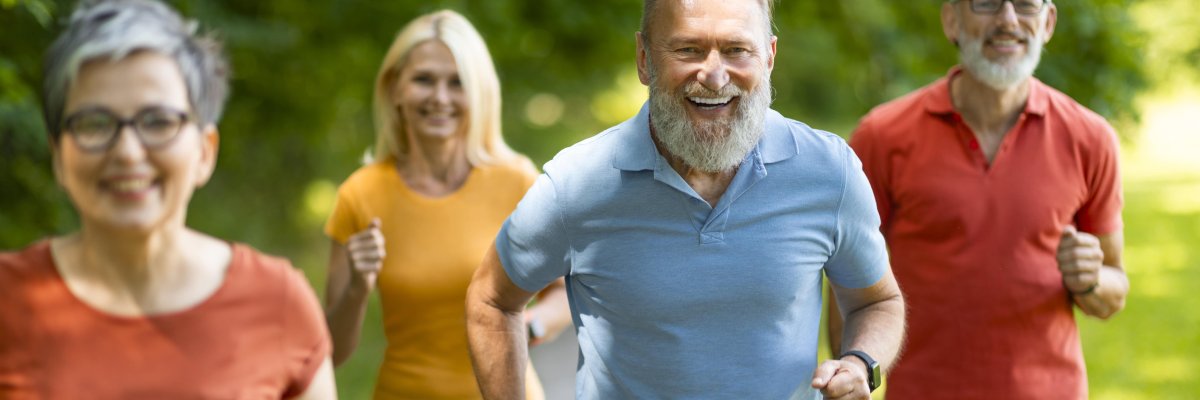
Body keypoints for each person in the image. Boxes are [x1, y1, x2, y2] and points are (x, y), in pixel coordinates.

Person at [465, 0, 906, 399]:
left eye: (737, 50)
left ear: (769, 57)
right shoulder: (578, 183)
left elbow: (877, 301)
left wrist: (860, 362)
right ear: (644, 59)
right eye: (688, 50)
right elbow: (492, 301)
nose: (714, 76)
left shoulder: (828, 172)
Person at [0, 0, 336, 398]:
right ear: (58, 155)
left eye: (158, 121)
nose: (127, 151)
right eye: (94, 123)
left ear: (205, 151)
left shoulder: (278, 304)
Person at [831, 0, 1130, 398]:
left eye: (1025, 5)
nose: (1008, 20)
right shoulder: (882, 136)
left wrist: (1091, 280)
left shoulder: (1091, 139)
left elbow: (1114, 289)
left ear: (1048, 22)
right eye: (987, 3)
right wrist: (849, 379)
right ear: (951, 19)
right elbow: (848, 284)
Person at [322, 10, 570, 400]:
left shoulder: (516, 181)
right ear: (395, 88)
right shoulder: (361, 195)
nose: (440, 98)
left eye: (457, 83)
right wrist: (356, 287)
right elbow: (330, 353)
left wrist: (530, 326)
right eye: (424, 79)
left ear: (479, 93)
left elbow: (564, 293)